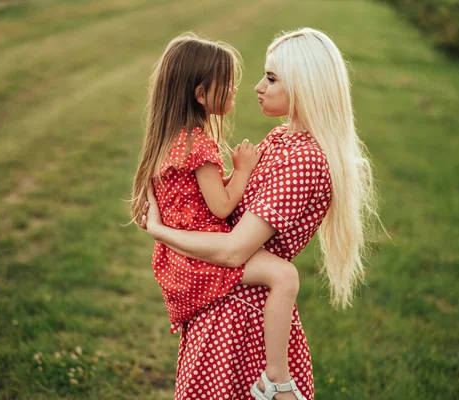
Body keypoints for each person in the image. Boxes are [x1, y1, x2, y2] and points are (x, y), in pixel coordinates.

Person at [140, 27, 382, 400]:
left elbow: (235, 249)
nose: (257, 87)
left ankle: (276, 377)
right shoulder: (280, 138)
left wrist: (161, 231)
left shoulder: (305, 160)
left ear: (305, 85)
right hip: (224, 304)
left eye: (271, 78)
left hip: (243, 321)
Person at [130, 33, 308, 400]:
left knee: (280, 275)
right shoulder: (200, 145)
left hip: (178, 261)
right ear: (200, 95)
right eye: (227, 85)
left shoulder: (172, 139)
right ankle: (276, 377)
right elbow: (222, 207)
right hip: (203, 258)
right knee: (284, 275)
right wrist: (242, 170)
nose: (238, 90)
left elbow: (196, 197)